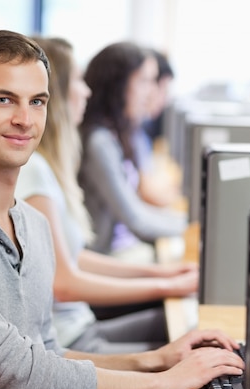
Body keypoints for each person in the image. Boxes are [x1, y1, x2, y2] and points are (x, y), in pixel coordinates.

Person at [0, 30, 243, 389]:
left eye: (37, 102)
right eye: (4, 100)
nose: (24, 119)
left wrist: (158, 359)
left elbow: (48, 354)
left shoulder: (32, 223)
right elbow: (23, 373)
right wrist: (166, 381)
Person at [15, 36, 197, 353]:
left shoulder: (51, 166)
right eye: (77, 81)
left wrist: (164, 273)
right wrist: (165, 282)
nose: (86, 91)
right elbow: (66, 282)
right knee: (190, 343)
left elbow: (71, 257)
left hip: (81, 324)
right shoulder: (37, 170)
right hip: (69, 339)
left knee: (198, 331)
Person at [79, 41, 187, 264]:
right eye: (144, 81)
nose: (151, 92)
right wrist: (192, 225)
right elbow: (135, 218)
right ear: (117, 85)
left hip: (128, 249)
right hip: (109, 256)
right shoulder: (99, 142)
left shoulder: (120, 135)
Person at [135, 48, 182, 208]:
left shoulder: (139, 133)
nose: (164, 99)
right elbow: (148, 193)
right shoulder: (124, 136)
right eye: (164, 90)